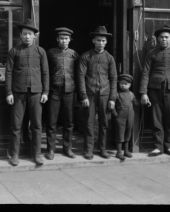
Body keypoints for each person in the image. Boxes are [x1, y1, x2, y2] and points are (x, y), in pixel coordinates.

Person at [5, 19, 49, 166]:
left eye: (30, 34)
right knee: (16, 125)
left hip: (36, 93)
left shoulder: (40, 51)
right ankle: (14, 154)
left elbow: (45, 73)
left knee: (36, 125)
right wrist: (8, 92)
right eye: (24, 34)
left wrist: (45, 92)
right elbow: (9, 72)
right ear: (20, 35)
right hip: (18, 93)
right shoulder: (14, 51)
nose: (27, 37)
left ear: (34, 36)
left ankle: (36, 154)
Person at [139, 24, 170, 158]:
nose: (164, 40)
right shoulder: (151, 54)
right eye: (161, 37)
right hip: (154, 89)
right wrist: (143, 92)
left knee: (168, 118)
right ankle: (157, 147)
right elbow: (145, 73)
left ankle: (169, 146)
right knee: (156, 118)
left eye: (166, 37)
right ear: (157, 39)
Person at [78, 26, 117, 160]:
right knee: (89, 122)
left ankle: (102, 149)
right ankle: (89, 150)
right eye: (98, 40)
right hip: (90, 94)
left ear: (106, 42)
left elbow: (113, 78)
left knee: (104, 123)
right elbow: (81, 76)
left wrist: (112, 98)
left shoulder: (109, 58)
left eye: (103, 41)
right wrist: (83, 95)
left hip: (105, 94)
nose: (101, 43)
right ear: (93, 40)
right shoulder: (86, 56)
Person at [45, 27, 80, 160]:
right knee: (52, 122)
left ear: (70, 40)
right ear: (57, 39)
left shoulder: (74, 54)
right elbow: (45, 72)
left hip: (69, 92)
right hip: (54, 91)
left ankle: (68, 148)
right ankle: (51, 150)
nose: (64, 41)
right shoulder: (50, 53)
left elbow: (79, 73)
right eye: (61, 38)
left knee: (69, 122)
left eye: (66, 38)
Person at [112, 74, 138, 160]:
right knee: (120, 133)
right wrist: (116, 115)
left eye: (125, 84)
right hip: (120, 117)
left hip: (130, 116)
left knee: (128, 132)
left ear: (129, 85)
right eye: (121, 83)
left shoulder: (131, 94)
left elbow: (135, 103)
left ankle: (126, 151)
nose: (123, 85)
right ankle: (119, 152)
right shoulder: (117, 94)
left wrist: (144, 102)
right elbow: (111, 107)